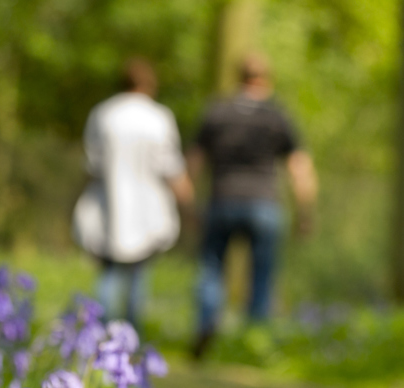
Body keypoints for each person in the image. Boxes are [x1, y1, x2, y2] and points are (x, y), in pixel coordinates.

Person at [188, 54, 318, 358]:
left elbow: (193, 162)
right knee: (261, 276)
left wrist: (189, 205)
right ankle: (253, 342)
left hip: (221, 200)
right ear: (267, 79)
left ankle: (207, 325)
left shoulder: (217, 112)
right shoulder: (277, 115)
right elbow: (299, 167)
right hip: (264, 204)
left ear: (239, 77)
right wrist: (305, 212)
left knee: (211, 270)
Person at [72, 58, 195, 331]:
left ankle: (100, 334)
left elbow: (91, 165)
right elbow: (172, 167)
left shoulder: (103, 114)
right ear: (149, 84)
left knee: (108, 272)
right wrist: (188, 204)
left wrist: (76, 201)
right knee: (138, 274)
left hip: (109, 206)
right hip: (148, 210)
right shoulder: (159, 117)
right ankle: (130, 336)